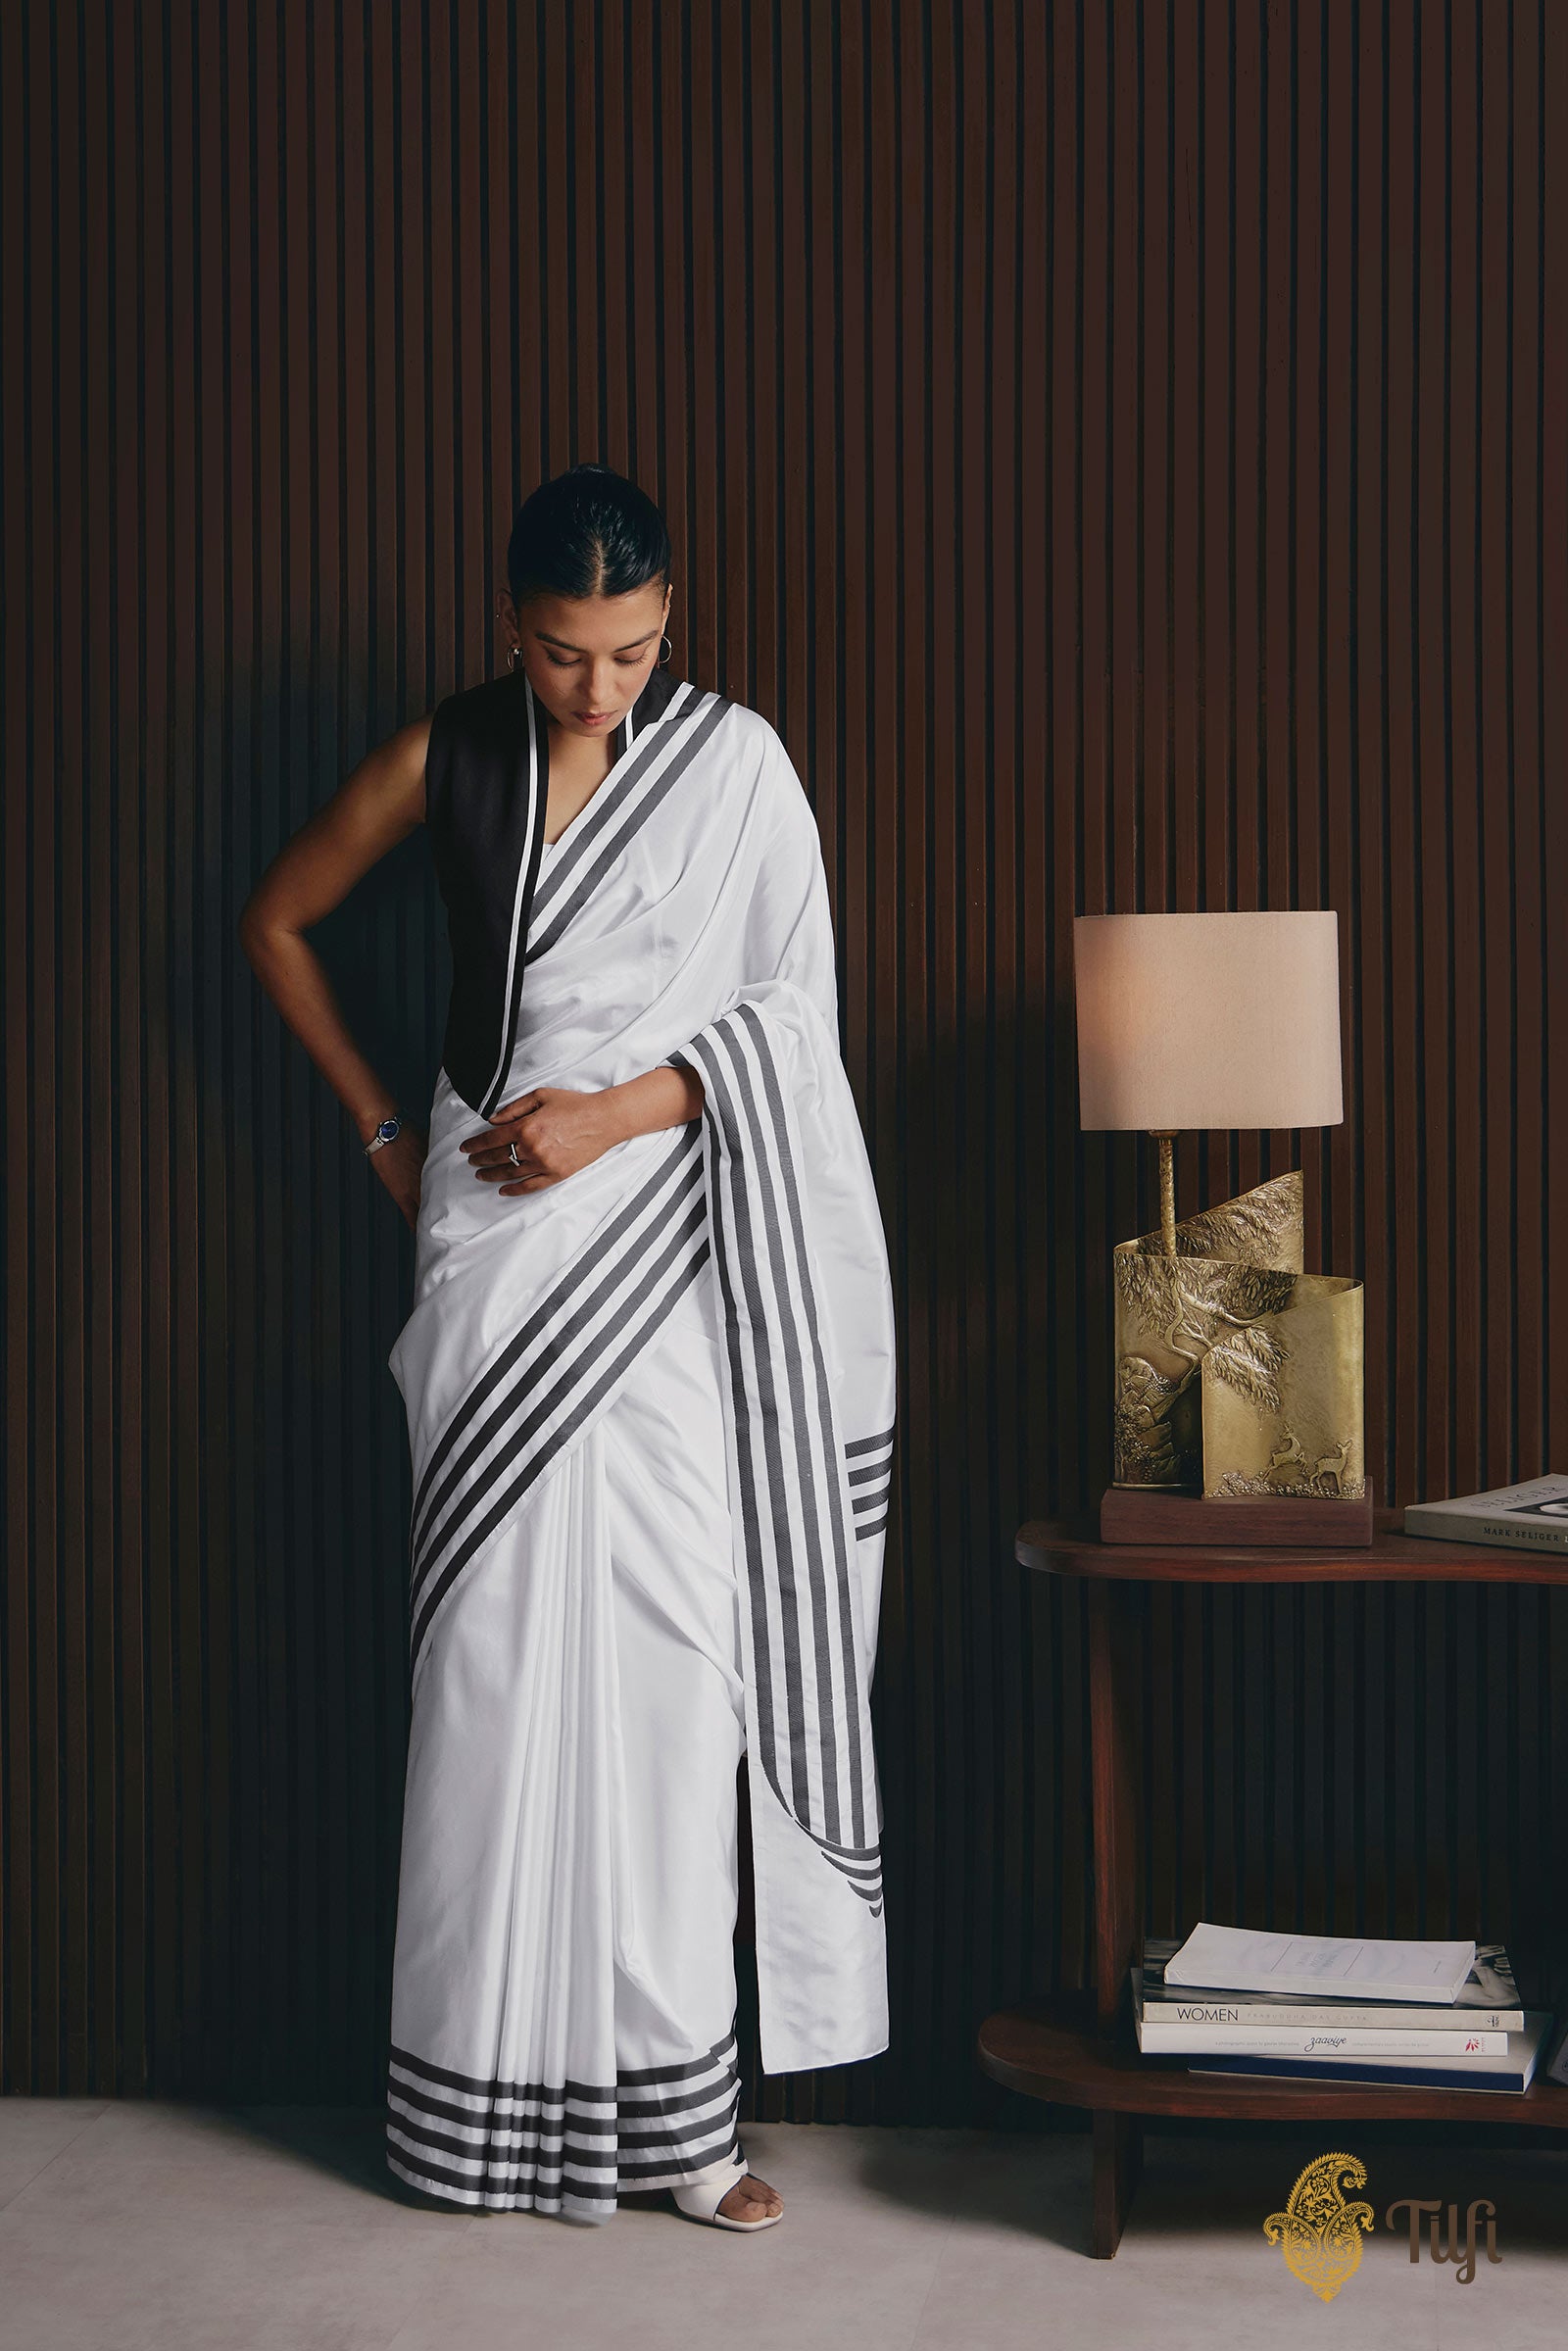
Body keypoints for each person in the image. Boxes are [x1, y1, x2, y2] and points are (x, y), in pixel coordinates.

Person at [239, 462, 896, 2232]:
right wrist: (391, 1133)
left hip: (666, 1252)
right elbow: (275, 922)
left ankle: (685, 2126)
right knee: (494, 1672)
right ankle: (472, 2108)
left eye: (626, 650)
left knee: (676, 1672)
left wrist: (613, 1116)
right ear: (508, 626)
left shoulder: (738, 769)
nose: (594, 686)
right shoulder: (443, 756)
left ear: (671, 616)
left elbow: (795, 1027)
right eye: (556, 653)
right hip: (495, 1257)